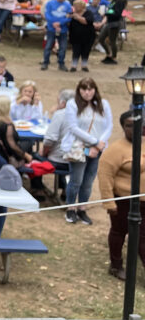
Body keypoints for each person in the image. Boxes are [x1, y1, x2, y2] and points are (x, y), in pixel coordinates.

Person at [97, 110, 145, 281]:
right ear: (123, 127)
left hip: (144, 202)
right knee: (119, 232)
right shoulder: (115, 150)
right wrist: (109, 203)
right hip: (124, 201)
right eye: (128, 126)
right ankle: (116, 265)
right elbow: (105, 176)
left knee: (143, 237)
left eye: (137, 125)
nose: (133, 129)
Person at [61, 77, 112, 225]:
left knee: (88, 181)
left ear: (95, 90)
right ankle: (70, 208)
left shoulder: (103, 104)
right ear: (79, 90)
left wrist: (99, 144)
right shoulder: (72, 104)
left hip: (98, 148)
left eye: (90, 89)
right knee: (76, 180)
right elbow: (73, 127)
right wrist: (94, 142)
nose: (87, 92)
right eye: (84, 89)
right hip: (79, 147)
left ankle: (82, 208)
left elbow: (109, 125)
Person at [42, 0, 73, 71]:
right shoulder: (50, 3)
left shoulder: (67, 4)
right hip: (51, 28)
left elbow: (69, 17)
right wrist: (53, 23)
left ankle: (61, 63)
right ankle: (45, 62)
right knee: (48, 45)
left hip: (63, 29)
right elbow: (47, 15)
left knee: (63, 47)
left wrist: (60, 23)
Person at [68, 0, 97, 73]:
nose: (75, 7)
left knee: (86, 51)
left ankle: (84, 65)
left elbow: (87, 22)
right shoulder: (72, 13)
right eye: (74, 6)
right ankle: (73, 65)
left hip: (88, 36)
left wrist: (77, 17)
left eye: (77, 6)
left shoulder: (88, 13)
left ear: (82, 6)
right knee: (76, 51)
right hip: (75, 36)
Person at [99, 0, 127, 65]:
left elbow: (117, 13)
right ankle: (109, 54)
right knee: (101, 39)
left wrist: (107, 13)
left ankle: (113, 57)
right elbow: (111, 10)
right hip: (109, 22)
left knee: (112, 41)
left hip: (115, 23)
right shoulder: (114, 0)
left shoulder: (121, 1)